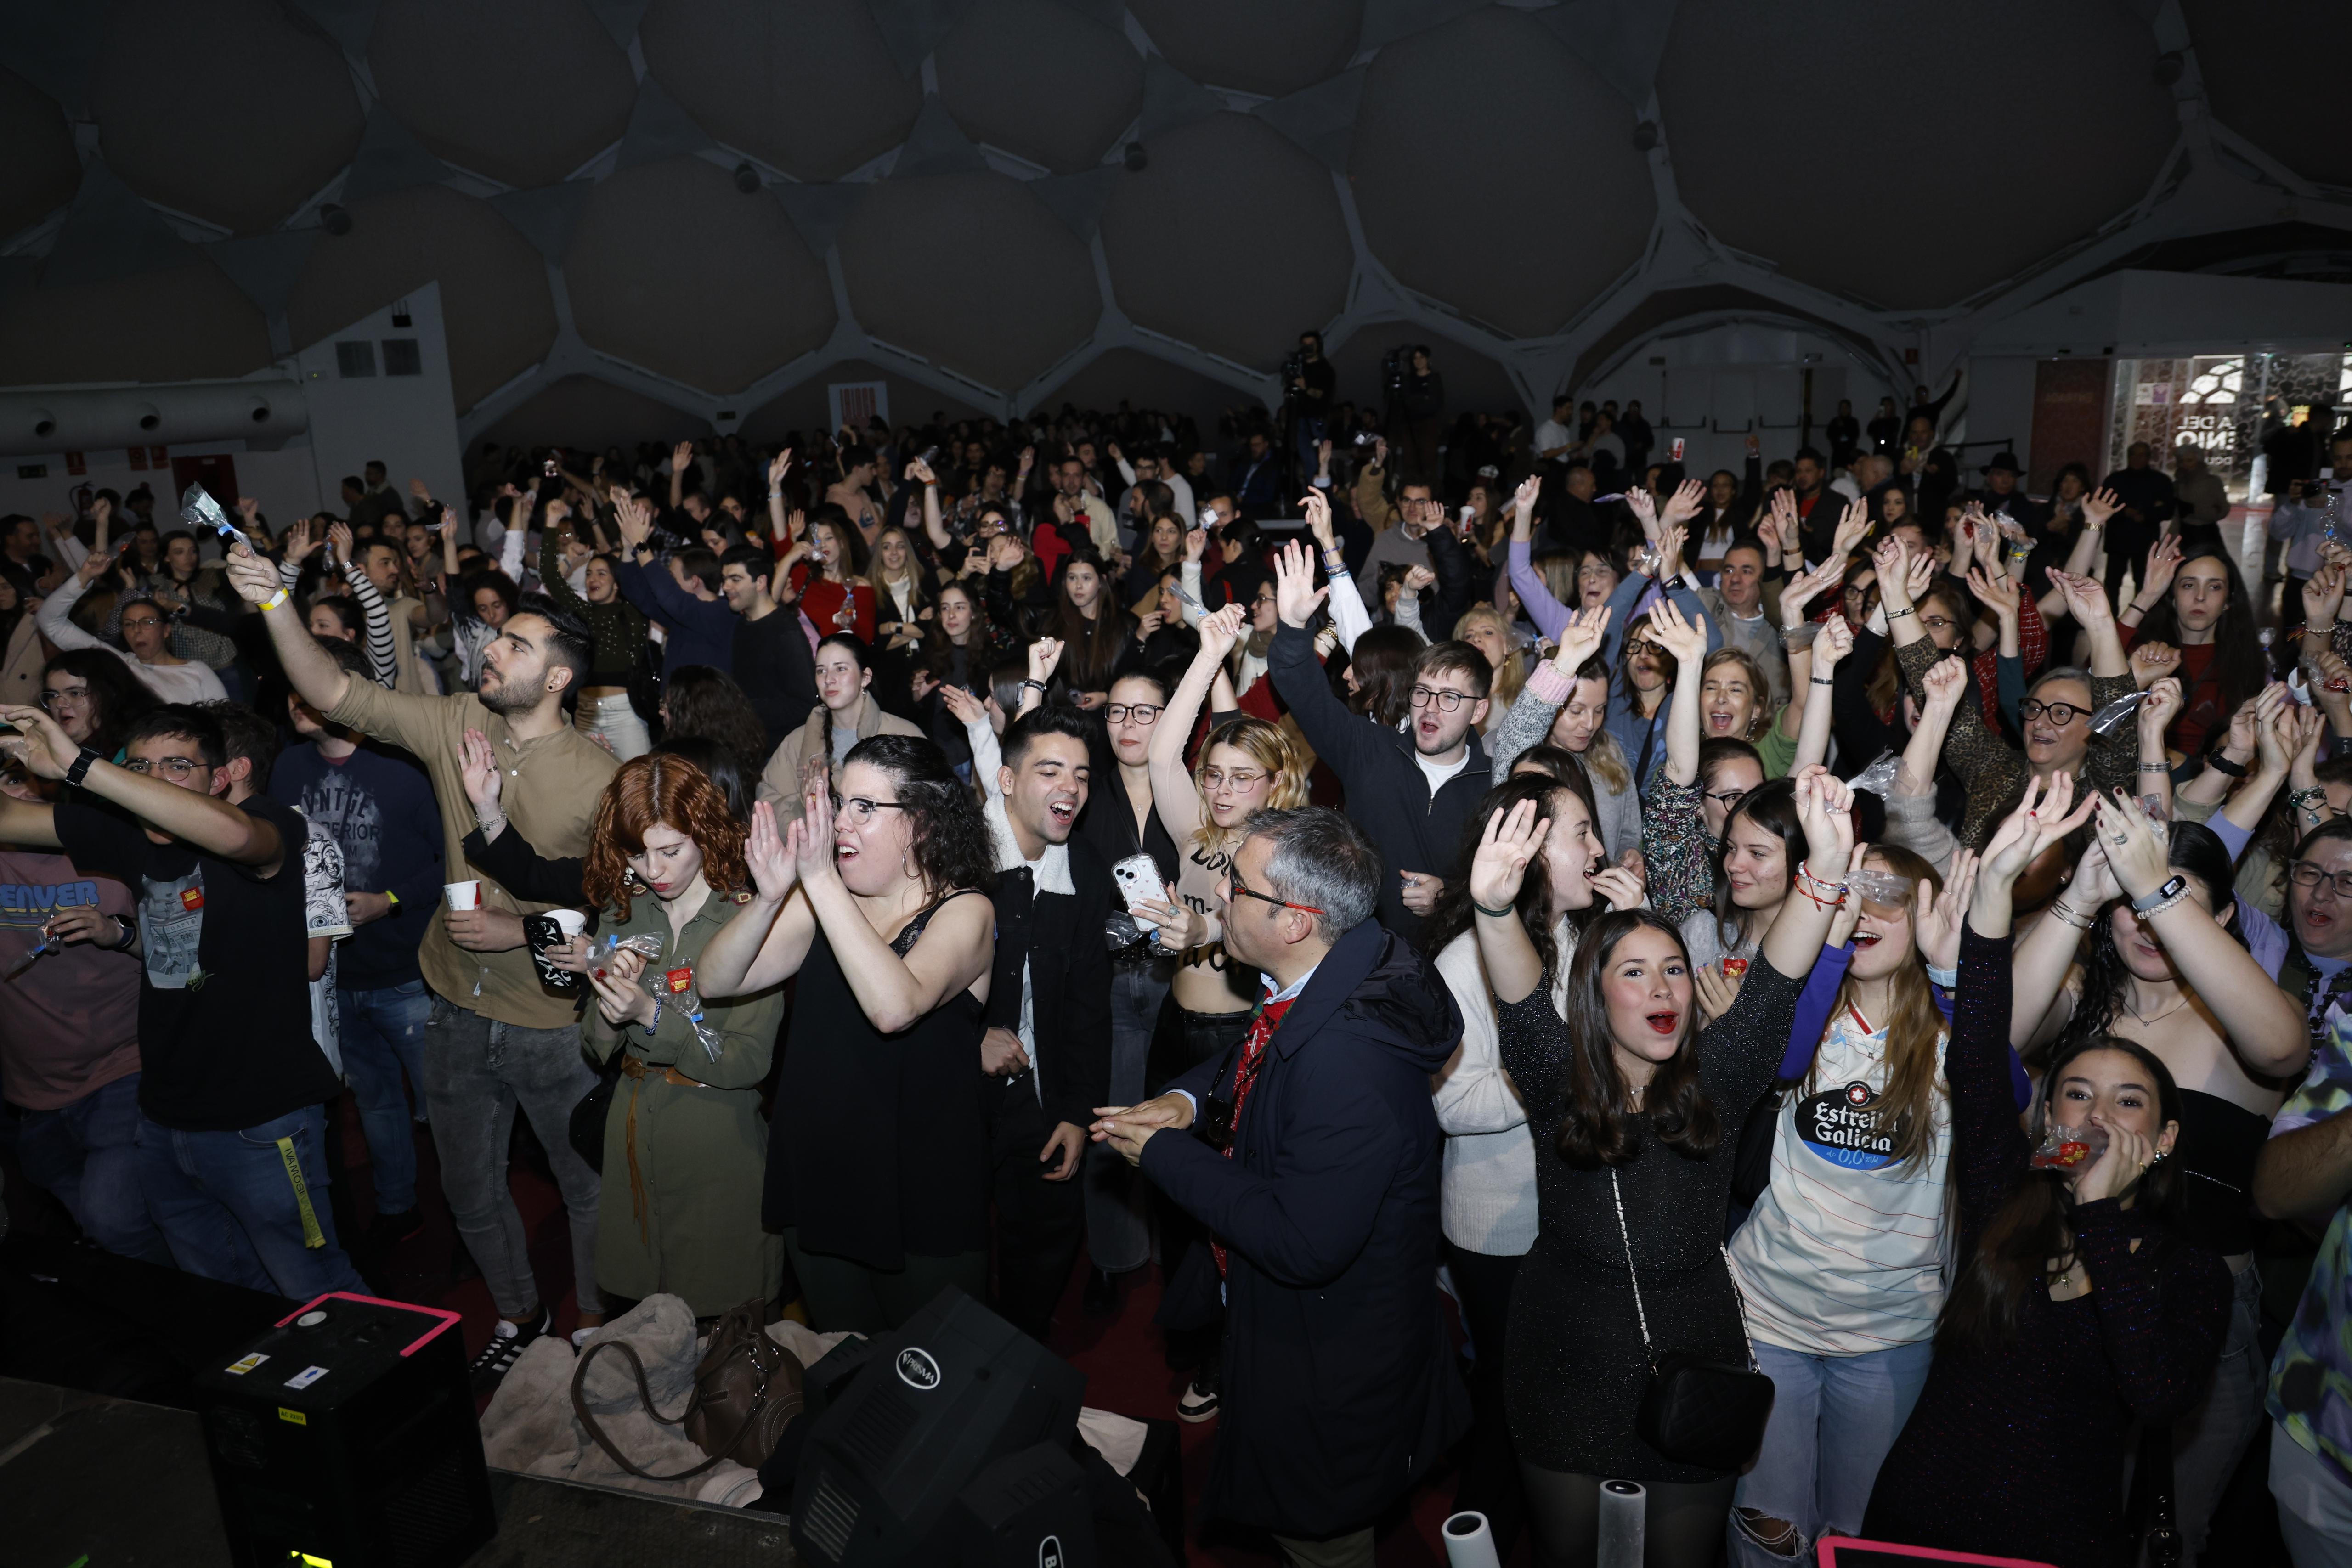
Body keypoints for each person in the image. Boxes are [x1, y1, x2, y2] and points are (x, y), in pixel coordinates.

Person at [223, 541, 617, 1383]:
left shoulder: (600, 778)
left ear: (557, 678)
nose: (491, 649)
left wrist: (524, 931)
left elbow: (617, 909)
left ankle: (593, 1316)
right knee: (469, 1190)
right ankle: (520, 1313)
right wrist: (273, 603)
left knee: (585, 1185)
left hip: (552, 1018)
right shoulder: (457, 721)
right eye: (496, 636)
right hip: (453, 1003)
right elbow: (335, 691)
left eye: (515, 644)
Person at [1474, 767, 1859, 1568]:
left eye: (1676, 968)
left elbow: (1775, 985)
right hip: (1565, 1354)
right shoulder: (1557, 1079)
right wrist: (1494, 908)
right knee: (1569, 1556)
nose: (1664, 988)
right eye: (1635, 971)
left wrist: (1824, 867)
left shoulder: (1721, 1075)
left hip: (1695, 1352)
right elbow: (1519, 1006)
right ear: (1596, 993)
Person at [1864, 777, 2232, 1568]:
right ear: (2046, 1120)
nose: (2097, 1115)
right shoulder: (2007, 1192)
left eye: (2128, 1101)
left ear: (2164, 1138)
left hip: (2061, 1542)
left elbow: (2156, 1391)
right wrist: (1996, 888)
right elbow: (1976, 1053)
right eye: (2077, 1093)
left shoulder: (2191, 1267)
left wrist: (2099, 1215)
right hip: (1918, 1519)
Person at [1093, 807, 1469, 1568]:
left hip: (1329, 1362)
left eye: (1237, 885)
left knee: (1320, 1541)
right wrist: (1189, 1099)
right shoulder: (1345, 966)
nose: (1218, 895)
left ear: (1295, 921)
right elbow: (1266, 1042)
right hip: (1302, 1333)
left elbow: (1302, 1241)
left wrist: (1162, 1153)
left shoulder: (1348, 1065)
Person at [2009, 803, 2303, 1561]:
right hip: (2071, 1287)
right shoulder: (2081, 1003)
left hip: (2203, 1311)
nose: (2146, 919)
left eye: (2170, 897)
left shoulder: (2242, 1017)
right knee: (2062, 1513)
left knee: (2169, 1537)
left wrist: (2155, 888)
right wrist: (2081, 894)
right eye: (2130, 900)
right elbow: (1995, 1037)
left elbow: (2283, 1048)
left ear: (2222, 916)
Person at [0, 700, 367, 1297]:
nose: (155, 780)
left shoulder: (268, 821)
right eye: (141, 767)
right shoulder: (127, 838)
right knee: (222, 1295)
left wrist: (81, 766)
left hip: (262, 1121)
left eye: (177, 765)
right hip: (163, 1122)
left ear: (219, 779)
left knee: (318, 1288)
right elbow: (9, 821)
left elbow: (239, 837)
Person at [692, 737, 996, 1332]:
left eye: (865, 807)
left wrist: (821, 881)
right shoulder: (820, 901)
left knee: (928, 1368)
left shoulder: (967, 912)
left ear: (922, 822)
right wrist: (770, 900)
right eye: (839, 803)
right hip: (821, 1170)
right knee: (840, 1362)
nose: (840, 822)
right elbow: (716, 980)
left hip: (919, 1185)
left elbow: (895, 1008)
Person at [1724, 844, 1967, 1565]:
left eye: (1885, 897)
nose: (1863, 910)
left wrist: (1950, 974)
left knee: (1860, 1535)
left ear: (1926, 916)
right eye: (1850, 893)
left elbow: (2005, 1093)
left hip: (1890, 1330)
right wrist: (1829, 945)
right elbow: (1783, 1060)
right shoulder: (1808, 1014)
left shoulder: (1952, 1032)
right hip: (1770, 1311)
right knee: (1767, 1528)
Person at [1425, 773, 1636, 1557]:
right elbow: (1454, 1104)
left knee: (1553, 1404)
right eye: (1581, 832)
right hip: (1501, 1229)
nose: (1598, 847)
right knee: (1514, 1409)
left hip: (1569, 1213)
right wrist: (1559, 1065)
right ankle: (1476, 1539)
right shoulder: (1463, 961)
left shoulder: (1579, 938)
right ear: (1531, 851)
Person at [565, 753, 786, 1318]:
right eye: (636, 853)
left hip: (715, 1145)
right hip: (632, 1137)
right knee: (645, 1324)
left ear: (704, 833)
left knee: (722, 1327)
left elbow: (746, 1063)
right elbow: (596, 1046)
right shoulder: (624, 912)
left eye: (670, 850)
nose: (653, 870)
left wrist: (649, 1015)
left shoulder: (746, 920)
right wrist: (609, 1003)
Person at [270, 636, 447, 1248]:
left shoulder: (405, 766)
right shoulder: (287, 767)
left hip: (407, 971)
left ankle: (468, 1219)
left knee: (443, 1108)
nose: (297, 699)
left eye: (310, 685)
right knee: (374, 1103)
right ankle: (398, 1207)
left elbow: (452, 865)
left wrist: (389, 900)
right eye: (292, 687)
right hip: (334, 978)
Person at [959, 702, 1114, 1344]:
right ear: (1006, 779)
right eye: (1050, 770)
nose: (1069, 788)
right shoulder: (954, 855)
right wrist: (969, 1038)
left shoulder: (1086, 870)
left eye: (1080, 775)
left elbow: (1088, 1007)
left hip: (1037, 1091)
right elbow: (893, 977)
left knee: (1047, 1228)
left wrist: (1077, 1112)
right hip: (950, 1090)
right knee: (955, 1243)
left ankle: (1013, 1355)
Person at [1269, 539, 1493, 942]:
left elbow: (1512, 892)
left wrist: (1449, 897)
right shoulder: (1369, 749)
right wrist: (1293, 628)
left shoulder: (1493, 786)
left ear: (1479, 711)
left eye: (1450, 698)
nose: (1430, 708)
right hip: (1363, 957)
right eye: (1422, 693)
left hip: (1452, 964)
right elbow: (1302, 690)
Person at [0, 757, 169, 1265]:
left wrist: (117, 932)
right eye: (10, 782)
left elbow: (185, 953)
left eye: (32, 779)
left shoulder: (110, 843)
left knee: (114, 1219)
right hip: (34, 1091)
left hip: (124, 1071)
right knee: (102, 1227)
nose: (25, 794)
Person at [756, 634, 922, 822]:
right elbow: (766, 805)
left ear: (866, 677)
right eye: (821, 671)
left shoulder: (903, 736)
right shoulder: (796, 742)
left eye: (840, 669)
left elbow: (926, 810)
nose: (829, 679)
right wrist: (808, 807)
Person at [38, 550, 228, 705]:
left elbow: (226, 724)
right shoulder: (119, 664)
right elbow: (50, 622)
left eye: (147, 622)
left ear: (166, 630)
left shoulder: (197, 672)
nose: (137, 630)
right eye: (129, 624)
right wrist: (84, 576)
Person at [537, 511, 651, 760]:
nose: (592, 579)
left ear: (617, 583)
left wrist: (633, 543)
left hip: (626, 713)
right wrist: (551, 524)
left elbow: (639, 582)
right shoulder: (583, 612)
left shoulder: (633, 612)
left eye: (602, 573)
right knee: (589, 781)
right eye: (589, 573)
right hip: (586, 712)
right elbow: (550, 577)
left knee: (639, 777)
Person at [716, 544, 815, 750]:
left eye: (735, 579)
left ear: (760, 582)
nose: (726, 587)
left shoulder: (786, 632)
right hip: (749, 745)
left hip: (780, 751)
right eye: (724, 579)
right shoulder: (742, 624)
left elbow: (804, 704)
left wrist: (742, 709)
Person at [2099, 441, 2178, 607]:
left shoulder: (2160, 481)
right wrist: (2123, 512)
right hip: (2118, 540)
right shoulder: (2115, 480)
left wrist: (2147, 516)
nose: (2137, 459)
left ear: (2149, 458)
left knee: (2144, 583)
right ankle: (2109, 618)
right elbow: (2102, 506)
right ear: (2129, 457)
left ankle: (2140, 618)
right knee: (2112, 583)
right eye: (2134, 455)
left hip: (2145, 541)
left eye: (2142, 455)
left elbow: (2168, 510)